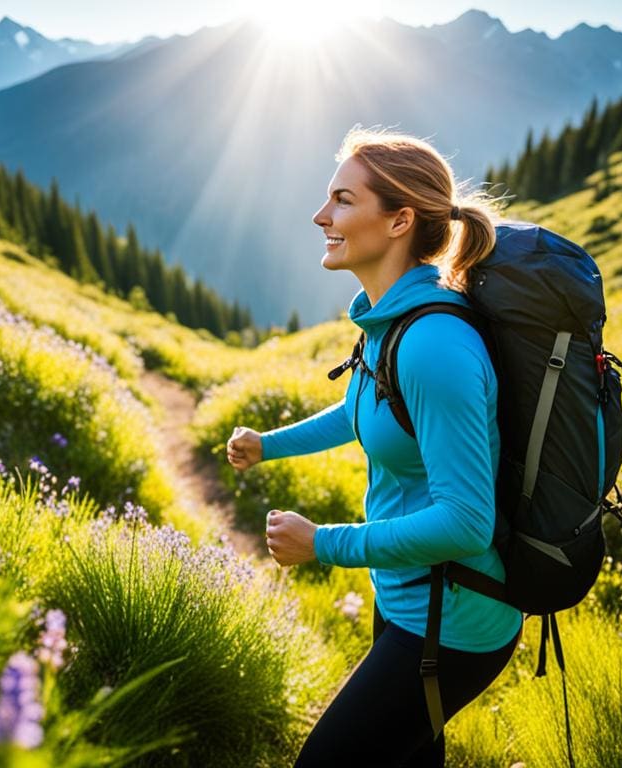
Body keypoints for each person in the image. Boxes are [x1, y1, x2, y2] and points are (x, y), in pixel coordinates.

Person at [226, 127, 523, 767]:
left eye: (342, 199)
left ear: (400, 221)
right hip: (412, 597)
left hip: (455, 619)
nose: (320, 215)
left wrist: (324, 544)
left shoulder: (433, 344)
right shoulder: (391, 320)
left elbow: (467, 522)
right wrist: (266, 446)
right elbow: (366, 411)